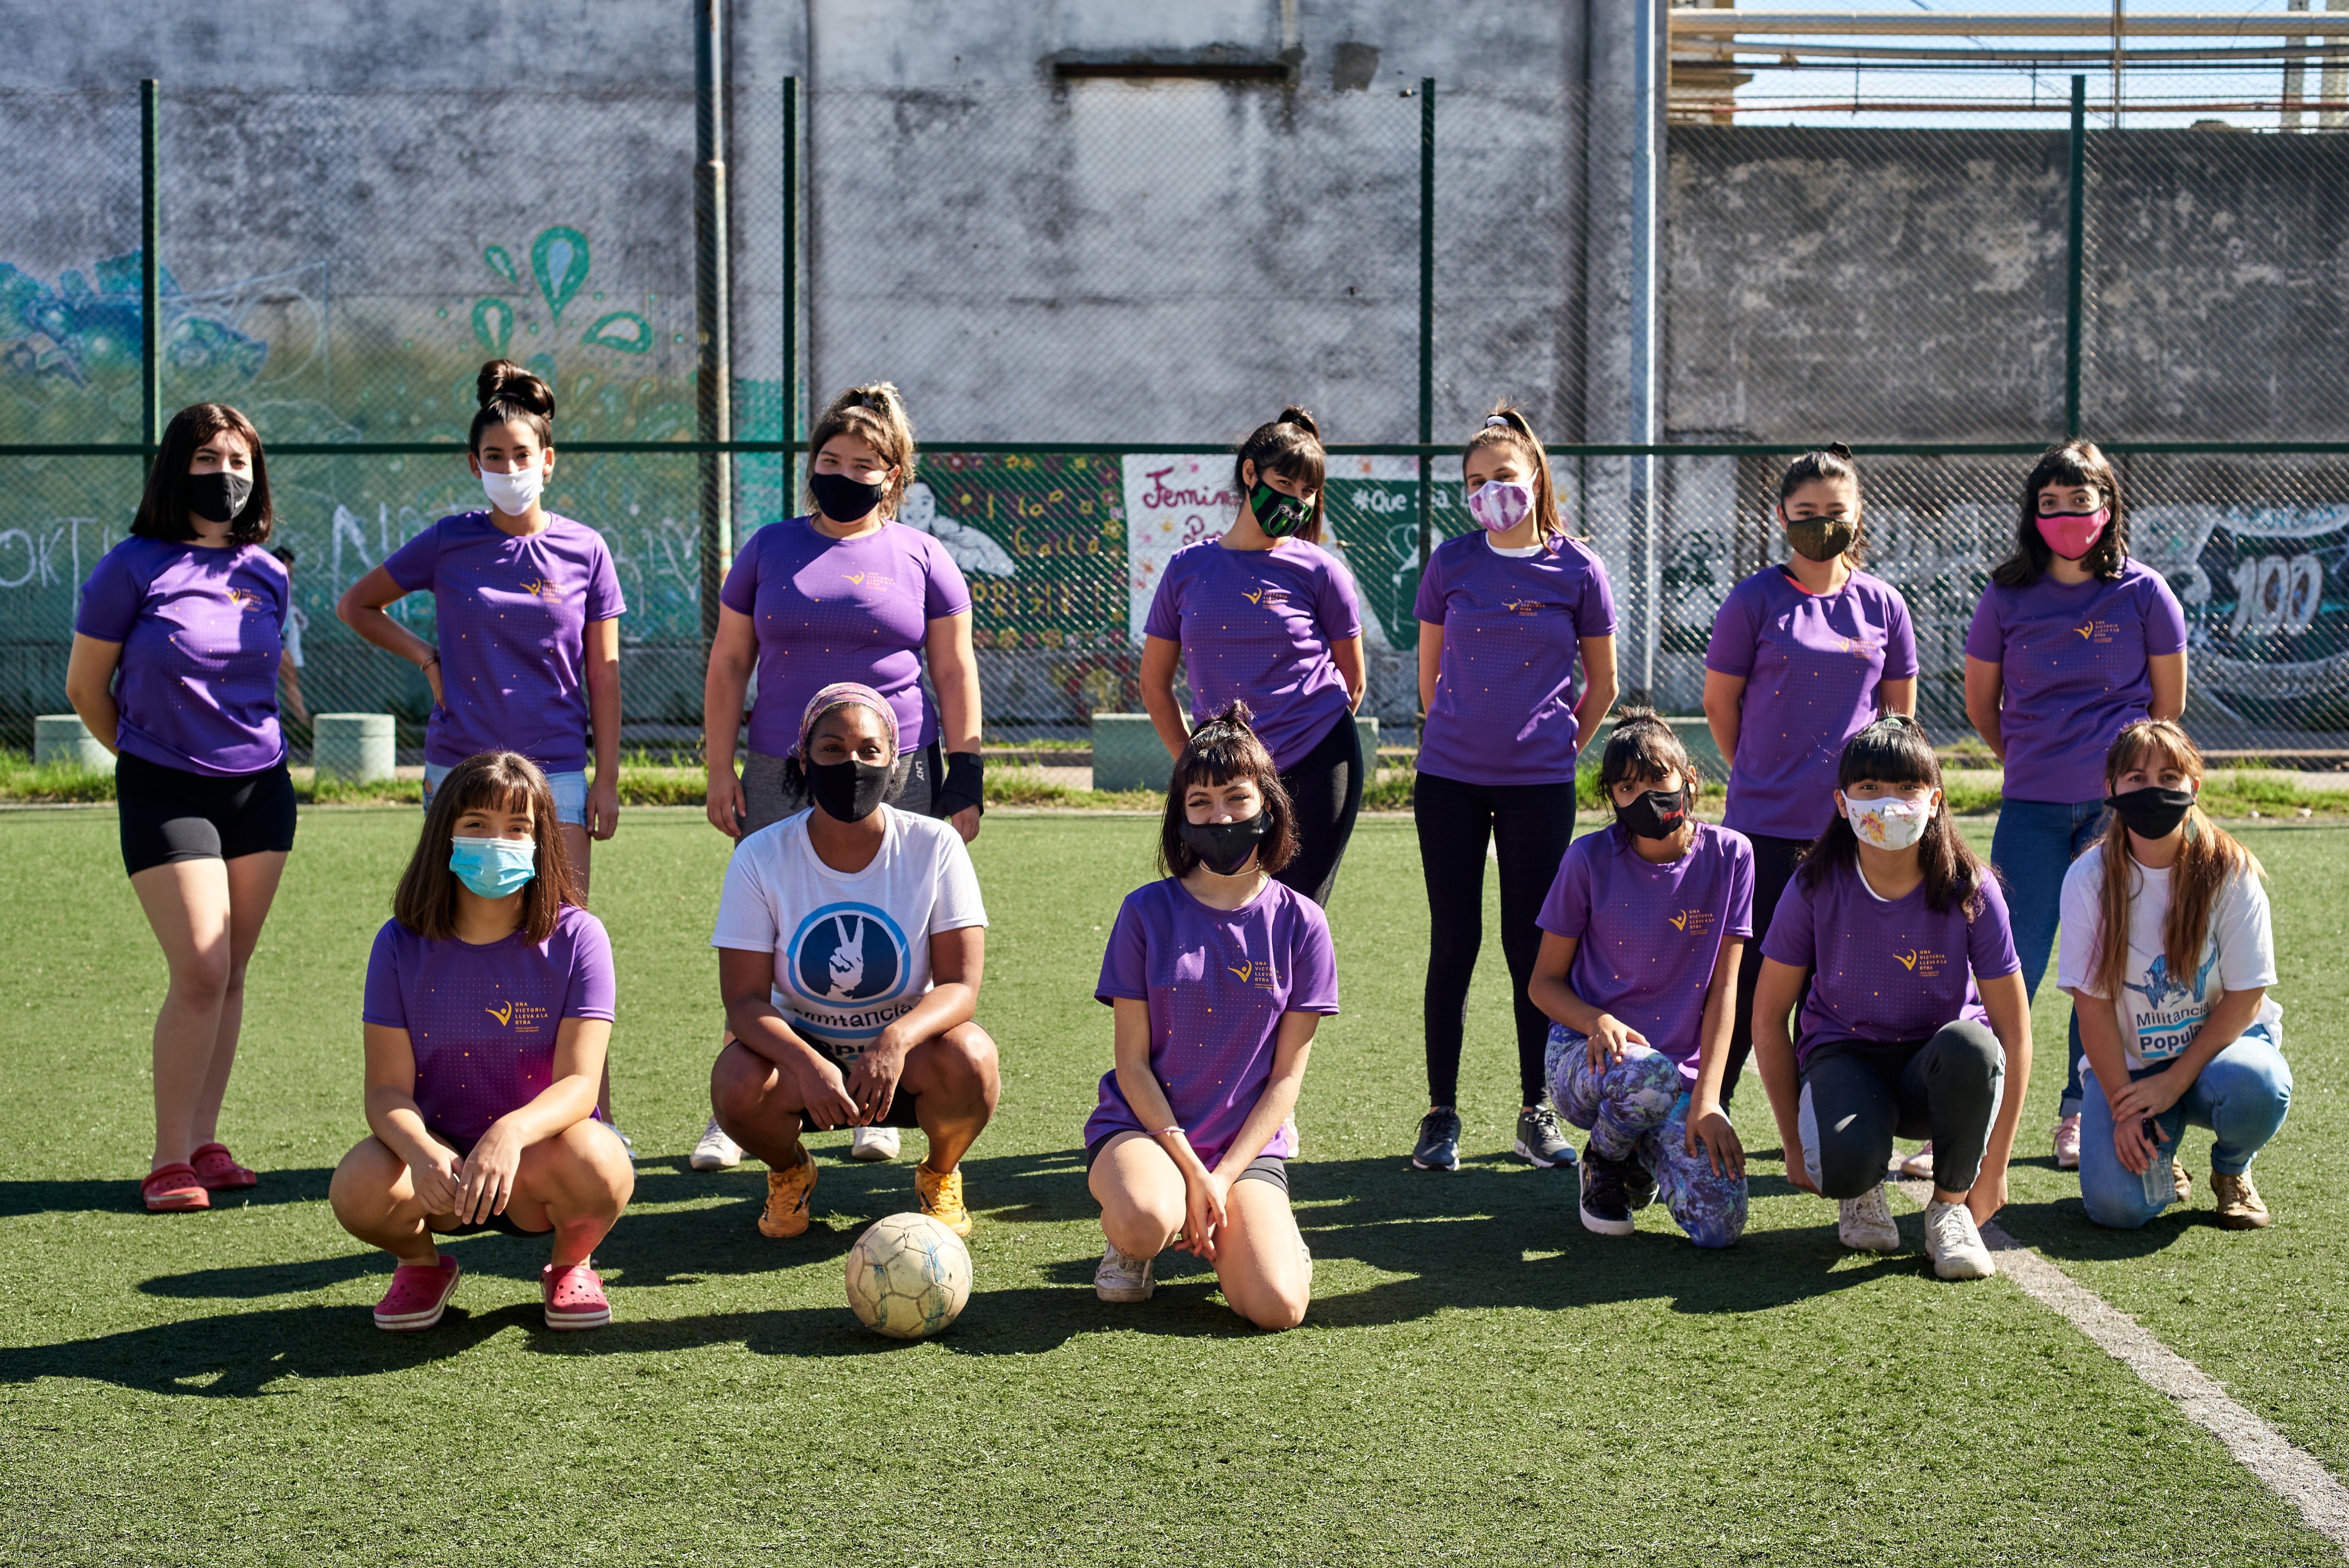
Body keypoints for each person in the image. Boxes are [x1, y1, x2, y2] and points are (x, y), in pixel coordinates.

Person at [698, 383, 985, 1171]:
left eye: (863, 463)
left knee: (894, 930)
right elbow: (728, 662)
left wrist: (967, 773)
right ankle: (735, 1111)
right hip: (780, 765)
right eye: (829, 460)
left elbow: (954, 668)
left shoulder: (924, 556)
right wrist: (718, 764)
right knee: (764, 937)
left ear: (894, 475)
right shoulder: (768, 548)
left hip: (893, 768)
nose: (842, 473)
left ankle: (875, 1105)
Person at [338, 360, 629, 1134]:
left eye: (521, 456)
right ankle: (446, 1112)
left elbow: (604, 672)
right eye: (492, 458)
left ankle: (589, 1116)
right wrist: (425, 657)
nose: (508, 470)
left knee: (564, 941)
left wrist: (607, 778)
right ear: (474, 465)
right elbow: (358, 604)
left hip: (559, 769)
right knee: (454, 927)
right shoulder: (448, 543)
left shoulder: (587, 551)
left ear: (548, 461)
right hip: (459, 769)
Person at [66, 404, 296, 1213]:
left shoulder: (267, 570)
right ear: (176, 468)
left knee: (230, 970)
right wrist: (143, 755)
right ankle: (168, 1158)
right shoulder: (130, 567)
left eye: (238, 459)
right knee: (199, 963)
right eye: (207, 457)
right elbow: (85, 689)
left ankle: (205, 1139)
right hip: (164, 787)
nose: (225, 473)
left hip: (261, 788)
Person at [328, 752, 633, 1332]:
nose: (498, 840)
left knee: (604, 1161)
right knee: (357, 1186)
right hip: (437, 1169)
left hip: (539, 1162)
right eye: (476, 825)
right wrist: (421, 1150)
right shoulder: (399, 943)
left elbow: (579, 1083)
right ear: (444, 834)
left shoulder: (579, 936)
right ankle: (421, 1264)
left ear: (543, 840)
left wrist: (511, 1133)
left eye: (518, 827)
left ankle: (573, 1263)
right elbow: (386, 1090)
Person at [1964, 439, 2186, 1172]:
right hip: (2028, 806)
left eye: (2079, 500)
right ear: (2032, 512)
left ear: (2108, 507)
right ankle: (1972, 1113)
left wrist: (2117, 783)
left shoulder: (2146, 593)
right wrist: (2033, 760)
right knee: (2011, 963)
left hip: (2117, 814)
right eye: (2049, 502)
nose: (2064, 514)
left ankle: (2076, 1110)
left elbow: (2168, 707)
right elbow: (1981, 705)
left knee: (2105, 965)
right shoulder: (2005, 594)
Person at [707, 683, 999, 1240]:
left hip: (906, 1055)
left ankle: (939, 1173)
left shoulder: (935, 845)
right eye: (832, 749)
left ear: (894, 761)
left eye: (869, 750)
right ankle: (791, 1170)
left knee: (973, 1057)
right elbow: (743, 1003)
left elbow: (961, 986)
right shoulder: (760, 855)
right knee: (737, 1081)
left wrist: (894, 1041)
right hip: (805, 1047)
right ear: (803, 759)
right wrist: (806, 1064)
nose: (852, 763)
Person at [1751, 716, 2034, 1281]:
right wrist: (1790, 1142)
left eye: (1908, 788)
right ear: (1841, 802)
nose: (1889, 804)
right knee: (1838, 1163)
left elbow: (2014, 1031)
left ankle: (1948, 1208)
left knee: (1974, 1045)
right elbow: (1766, 1017)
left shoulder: (1972, 890)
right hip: (1846, 1060)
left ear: (1935, 800)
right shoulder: (1812, 886)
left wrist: (1995, 1166)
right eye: (1870, 788)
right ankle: (1859, 1191)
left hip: (1936, 1069)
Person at [1410, 406, 1619, 1173]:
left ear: (1535, 477)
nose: (1490, 490)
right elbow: (1430, 678)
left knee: (1530, 947)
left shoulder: (1577, 568)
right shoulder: (1452, 563)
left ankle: (1537, 1110)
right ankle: (1441, 1114)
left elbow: (1603, 683)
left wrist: (1559, 745)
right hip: (1448, 782)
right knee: (1454, 942)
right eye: (1475, 481)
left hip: (1539, 785)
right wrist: (1463, 736)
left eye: (1503, 476)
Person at [1085, 702, 1333, 1330]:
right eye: (1200, 802)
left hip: (1243, 1149)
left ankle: (1262, 1230)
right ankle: (1135, 1242)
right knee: (1146, 1220)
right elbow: (1132, 1064)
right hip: (1146, 1131)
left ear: (1267, 807)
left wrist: (1221, 1177)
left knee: (1278, 1308)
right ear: (1180, 815)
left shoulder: (1303, 923)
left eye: (1235, 798)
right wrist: (1190, 1169)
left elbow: (1285, 1081)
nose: (1219, 816)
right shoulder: (1145, 912)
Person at [1703, 446, 1916, 1134]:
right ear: (1780, 518)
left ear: (1858, 517)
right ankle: (1711, 1110)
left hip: (1854, 835)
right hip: (1763, 830)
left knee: (1844, 985)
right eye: (1805, 513)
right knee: (1751, 978)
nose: (1820, 524)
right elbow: (1720, 705)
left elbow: (1899, 726)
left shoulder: (1884, 604)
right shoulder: (1753, 600)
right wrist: (1763, 776)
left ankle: (1835, 1124)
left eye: (1834, 512)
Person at [1528, 709, 1752, 1245]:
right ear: (1611, 796)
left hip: (1672, 1077)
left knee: (1720, 1226)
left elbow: (1726, 989)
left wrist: (1709, 1100)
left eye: (1658, 778)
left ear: (1688, 779)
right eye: (1628, 786)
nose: (1646, 795)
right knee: (1645, 1077)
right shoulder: (1586, 859)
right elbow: (1543, 983)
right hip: (1586, 1058)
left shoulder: (1731, 855)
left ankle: (1638, 1156)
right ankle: (1603, 1162)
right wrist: (1595, 1018)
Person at [2059, 720, 2287, 1230]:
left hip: (2216, 1058)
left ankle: (2231, 1169)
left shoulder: (2230, 869)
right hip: (2131, 1068)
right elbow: (2091, 1005)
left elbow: (2248, 993)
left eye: (2168, 776)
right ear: (2110, 789)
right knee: (2118, 1210)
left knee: (2261, 1085)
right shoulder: (2087, 878)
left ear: (2193, 787)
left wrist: (2174, 1081)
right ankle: (2167, 1154)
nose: (2152, 789)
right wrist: (2124, 1108)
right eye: (2136, 777)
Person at [1138, 407, 1366, 908]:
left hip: (1318, 759)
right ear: (1249, 474)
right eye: (1284, 483)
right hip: (1224, 773)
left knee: (1297, 912)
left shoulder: (1322, 571)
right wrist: (1195, 766)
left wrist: (1298, 733)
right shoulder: (1185, 568)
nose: (1295, 501)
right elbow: (1154, 685)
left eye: (1307, 492)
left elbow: (1352, 685)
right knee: (1221, 909)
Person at [271, 545, 311, 727]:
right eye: (289, 565)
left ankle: (301, 723)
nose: (292, 570)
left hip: (278, 637)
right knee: (291, 680)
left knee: (287, 679)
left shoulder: (279, 582)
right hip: (276, 639)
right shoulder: (276, 581)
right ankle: (303, 723)